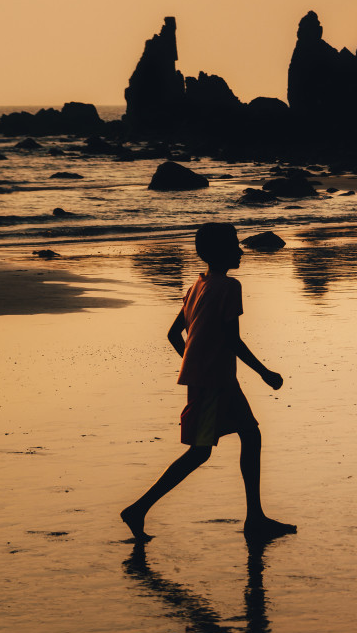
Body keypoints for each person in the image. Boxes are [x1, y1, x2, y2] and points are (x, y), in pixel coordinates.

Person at [121, 223, 295, 541]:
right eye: (234, 246)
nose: (240, 250)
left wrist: (194, 363)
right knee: (202, 451)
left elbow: (175, 334)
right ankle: (138, 509)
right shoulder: (229, 288)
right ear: (219, 252)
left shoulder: (196, 287)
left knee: (249, 435)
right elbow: (233, 341)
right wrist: (264, 372)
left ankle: (254, 517)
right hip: (215, 383)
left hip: (210, 380)